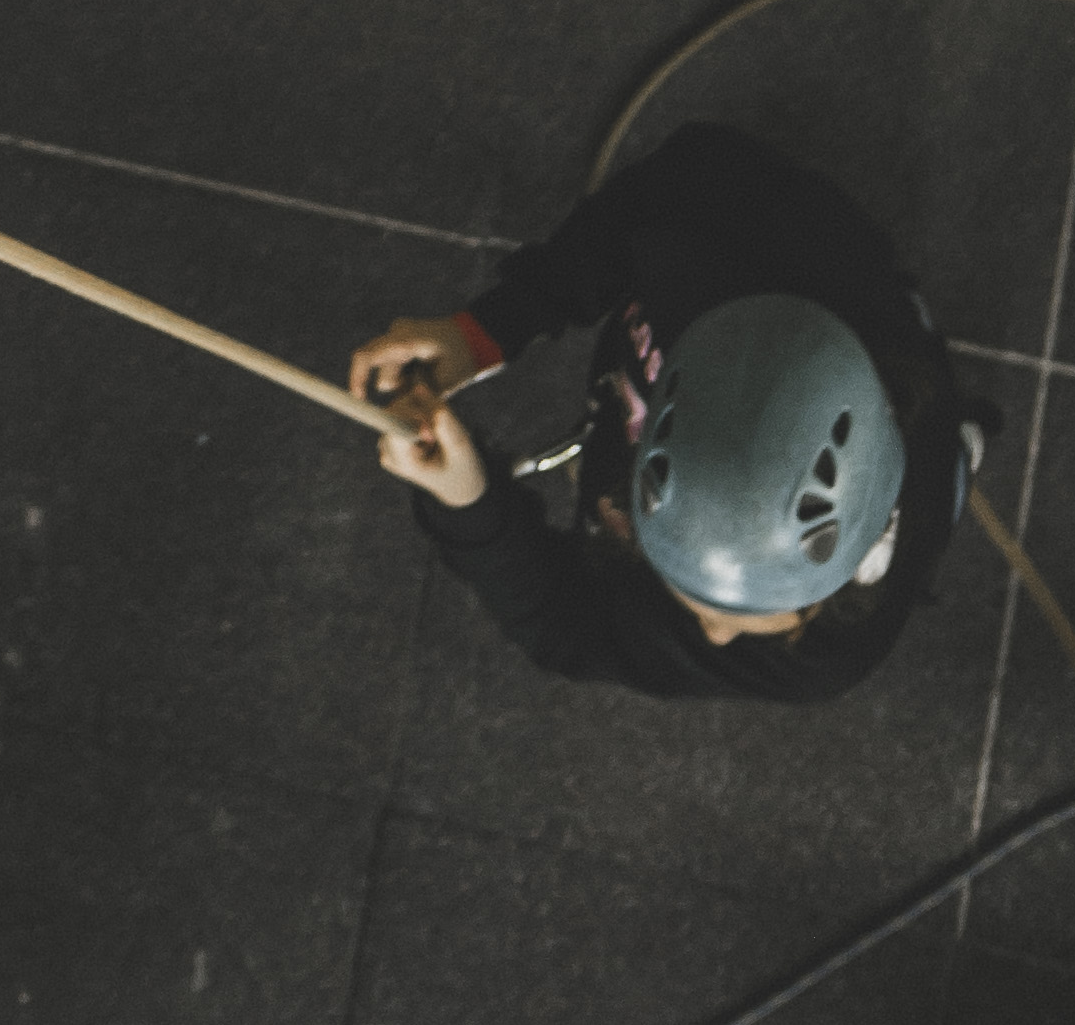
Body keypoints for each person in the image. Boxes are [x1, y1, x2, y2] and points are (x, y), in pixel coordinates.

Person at [355, 118, 973, 700]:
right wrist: (487, 331)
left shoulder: (825, 655)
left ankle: (955, 464)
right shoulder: (731, 234)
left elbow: (565, 627)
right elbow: (671, 186)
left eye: (741, 614)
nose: (714, 640)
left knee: (939, 466)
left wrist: (470, 505)